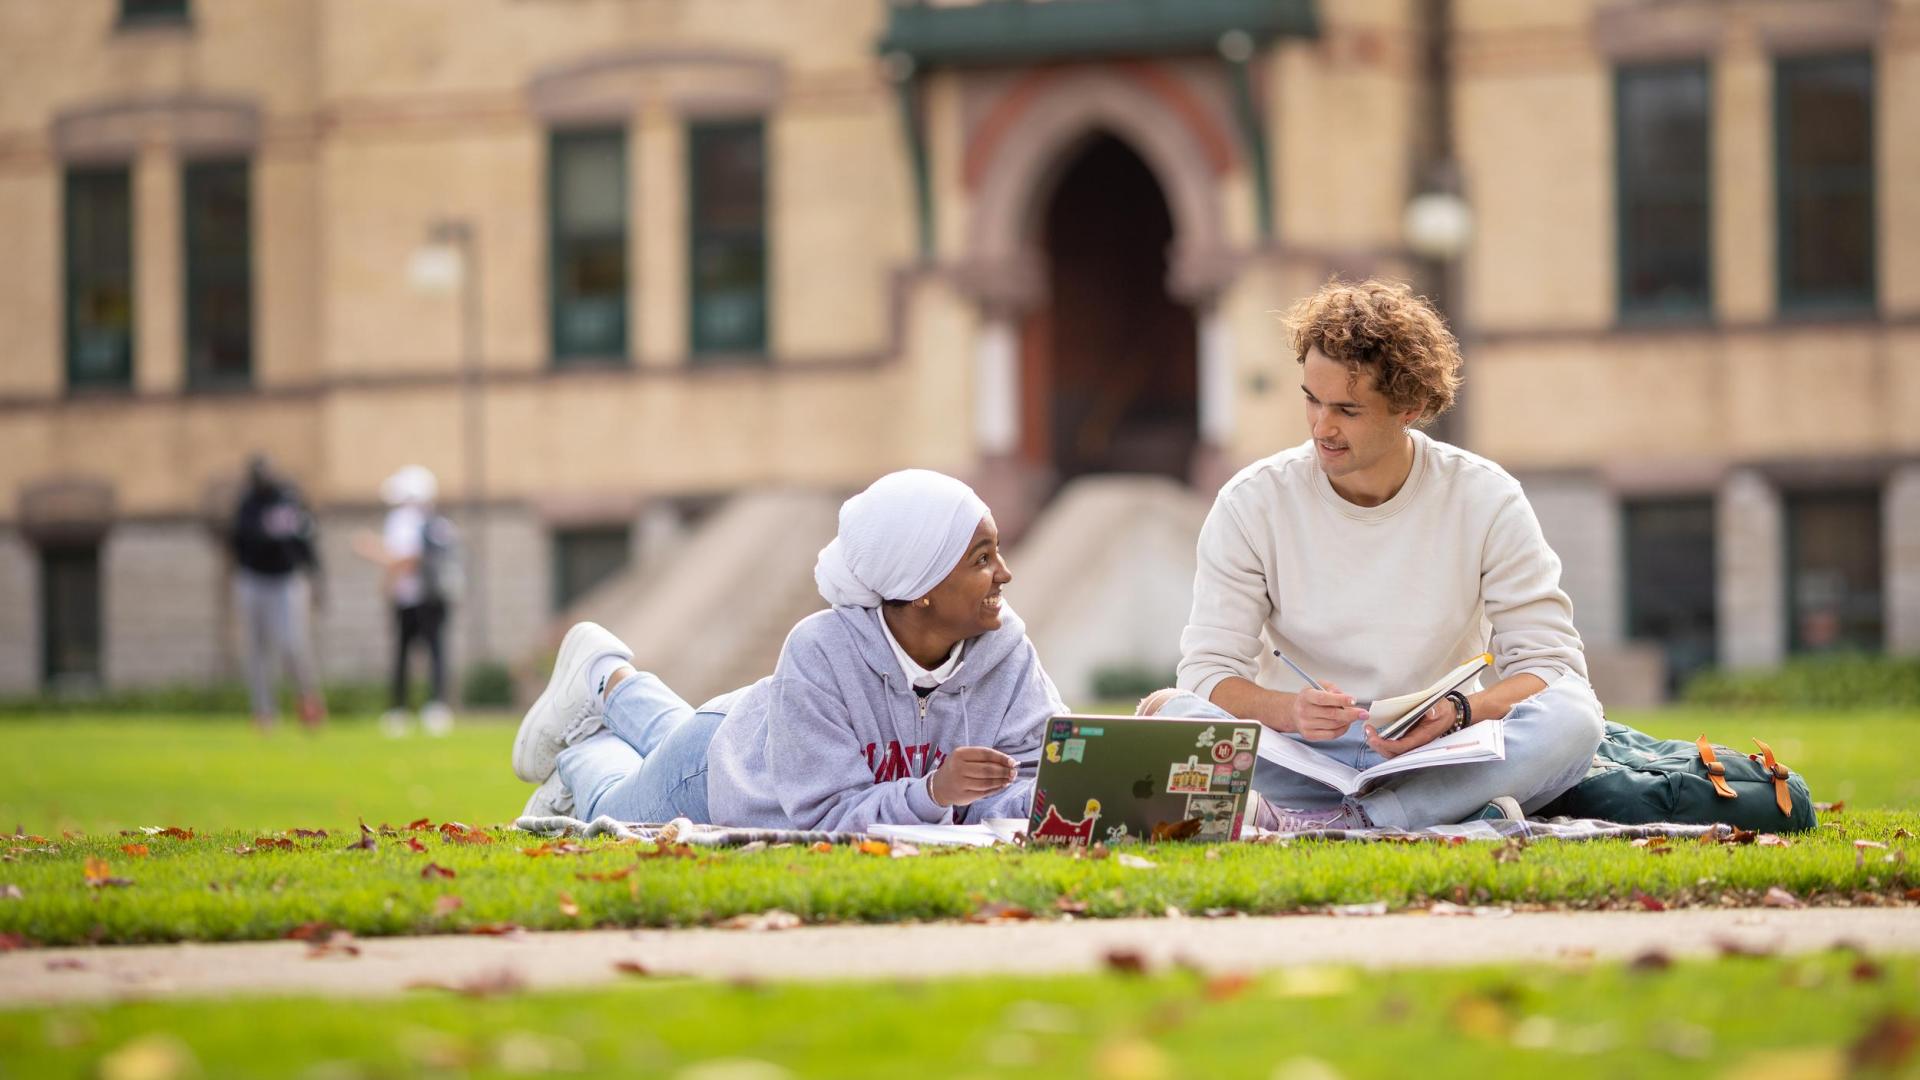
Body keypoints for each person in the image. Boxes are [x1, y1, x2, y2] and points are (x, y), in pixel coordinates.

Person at [1149, 279, 1605, 831]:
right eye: (1311, 400)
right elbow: (1207, 673)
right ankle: (1385, 818)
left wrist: (1458, 712)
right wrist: (1288, 711)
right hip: (1297, 757)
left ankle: (1347, 821)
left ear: (1408, 406)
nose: (1322, 427)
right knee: (1170, 711)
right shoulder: (1252, 502)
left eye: (1347, 409)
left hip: (1436, 756)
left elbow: (1551, 667)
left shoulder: (1486, 498)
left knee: (1575, 717)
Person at [512, 469, 1063, 832]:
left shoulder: (1007, 652)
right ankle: (580, 747)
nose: (1005, 574)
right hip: (719, 771)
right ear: (919, 585)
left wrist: (1047, 800)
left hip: (764, 727)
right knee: (608, 804)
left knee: (667, 733)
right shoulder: (823, 650)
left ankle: (609, 677)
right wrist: (932, 793)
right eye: (982, 559)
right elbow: (825, 819)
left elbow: (1035, 782)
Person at [352, 465, 456, 737]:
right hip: (431, 598)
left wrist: (370, 549)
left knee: (408, 653)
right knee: (431, 652)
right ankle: (434, 706)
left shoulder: (405, 520)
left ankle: (405, 709)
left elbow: (405, 560)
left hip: (415, 598)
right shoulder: (437, 522)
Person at [228, 454, 326, 731]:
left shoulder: (289, 498)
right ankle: (264, 711)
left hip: (286, 579)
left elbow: (307, 539)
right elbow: (241, 542)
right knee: (258, 648)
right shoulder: (247, 504)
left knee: (292, 644)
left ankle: (307, 700)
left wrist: (316, 576)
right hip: (254, 579)